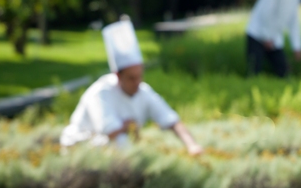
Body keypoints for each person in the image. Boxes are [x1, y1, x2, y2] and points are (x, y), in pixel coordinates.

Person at [61, 19, 202, 154]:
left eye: (140, 76)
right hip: (79, 149)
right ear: (118, 76)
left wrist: (192, 145)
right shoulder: (100, 92)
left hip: (108, 150)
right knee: (122, 142)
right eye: (131, 78)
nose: (137, 82)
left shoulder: (143, 91)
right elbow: (111, 131)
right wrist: (128, 126)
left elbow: (171, 120)